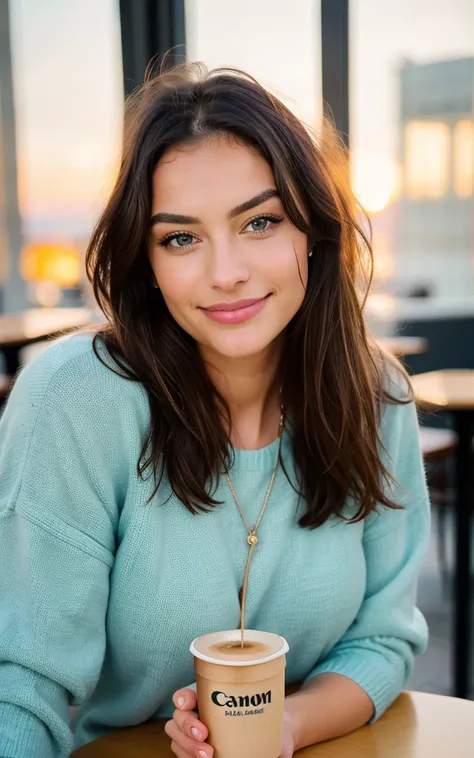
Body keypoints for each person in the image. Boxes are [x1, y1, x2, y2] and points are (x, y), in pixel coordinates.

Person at [0, 63, 429, 758]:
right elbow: (19, 688)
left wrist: (282, 725)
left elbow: (383, 638)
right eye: (181, 238)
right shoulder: (73, 400)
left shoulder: (375, 398)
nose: (226, 270)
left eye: (260, 222)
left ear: (314, 234)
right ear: (146, 261)